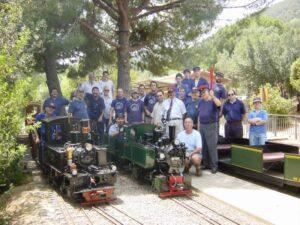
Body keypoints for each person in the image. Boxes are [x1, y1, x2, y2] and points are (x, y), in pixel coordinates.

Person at [198, 88, 221, 174]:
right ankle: (205, 164)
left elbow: (219, 104)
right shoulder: (200, 102)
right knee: (204, 146)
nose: (203, 94)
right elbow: (199, 113)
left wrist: (213, 96)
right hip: (202, 125)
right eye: (202, 92)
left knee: (212, 146)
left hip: (211, 125)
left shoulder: (213, 100)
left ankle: (214, 166)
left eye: (205, 92)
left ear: (209, 93)